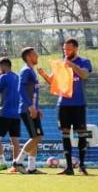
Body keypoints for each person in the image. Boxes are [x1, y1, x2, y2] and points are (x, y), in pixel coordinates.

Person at [39, 38, 93, 175]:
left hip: (79, 104)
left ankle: (82, 165)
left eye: (68, 49)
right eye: (64, 49)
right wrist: (44, 75)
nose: (66, 51)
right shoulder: (61, 63)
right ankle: (69, 167)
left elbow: (85, 75)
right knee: (65, 134)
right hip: (63, 105)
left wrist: (72, 65)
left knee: (82, 134)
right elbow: (52, 81)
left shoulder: (84, 62)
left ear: (75, 48)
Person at [13, 47, 45, 174]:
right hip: (27, 109)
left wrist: (36, 108)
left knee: (36, 137)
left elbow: (31, 92)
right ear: (28, 57)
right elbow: (20, 89)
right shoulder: (26, 70)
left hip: (32, 108)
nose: (37, 56)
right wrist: (31, 107)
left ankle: (32, 167)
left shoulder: (31, 70)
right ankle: (18, 161)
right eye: (34, 54)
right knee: (36, 137)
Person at [0, 57, 22, 173]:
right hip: (17, 114)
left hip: (4, 113)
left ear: (4, 66)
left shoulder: (3, 77)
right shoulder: (18, 77)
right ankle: (16, 165)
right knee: (14, 140)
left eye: (0, 67)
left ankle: (2, 162)